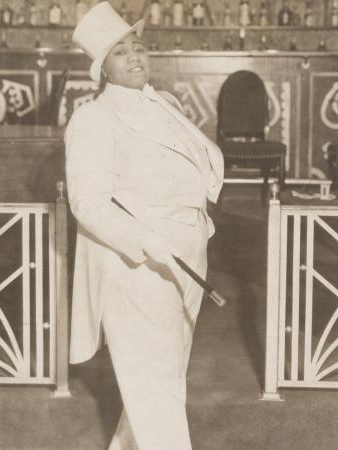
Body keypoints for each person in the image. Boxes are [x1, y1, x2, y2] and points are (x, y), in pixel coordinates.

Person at [66, 3, 224, 449]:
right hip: (136, 266)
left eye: (138, 46)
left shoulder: (166, 103)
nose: (135, 56)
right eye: (120, 52)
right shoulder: (93, 119)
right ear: (103, 69)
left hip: (190, 252)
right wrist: (147, 240)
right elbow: (88, 202)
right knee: (155, 387)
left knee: (163, 379)